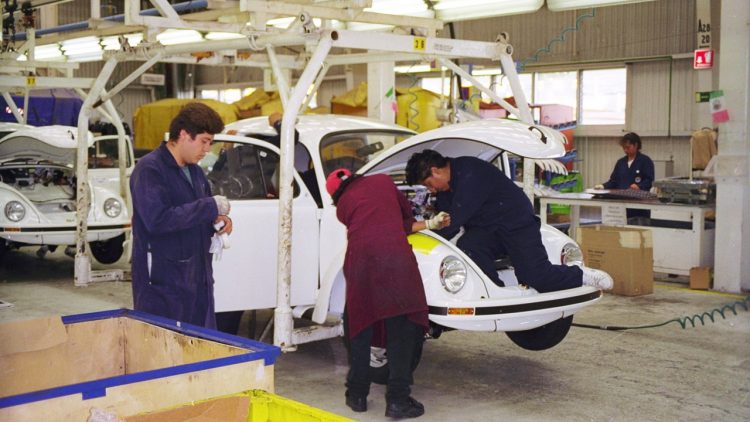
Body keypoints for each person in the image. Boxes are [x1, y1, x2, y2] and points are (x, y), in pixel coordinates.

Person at [327, 168, 449, 419]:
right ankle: (398, 400)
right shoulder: (382, 181)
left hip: (359, 262)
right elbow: (402, 221)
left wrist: (429, 224)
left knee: (359, 326)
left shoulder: (343, 208)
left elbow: (376, 225)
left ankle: (356, 395)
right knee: (402, 328)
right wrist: (431, 222)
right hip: (393, 260)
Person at [405, 149, 613, 293]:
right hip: (487, 229)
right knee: (469, 245)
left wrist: (417, 233)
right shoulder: (445, 189)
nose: (431, 190)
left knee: (535, 276)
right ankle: (493, 291)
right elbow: (443, 219)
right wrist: (426, 226)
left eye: (429, 184)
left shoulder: (470, 172)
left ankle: (581, 275)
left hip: (516, 223)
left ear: (435, 171)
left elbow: (451, 223)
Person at [130, 103, 231, 330]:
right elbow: (157, 219)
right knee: (163, 343)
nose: (207, 149)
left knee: (199, 341)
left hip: (197, 279)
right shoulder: (149, 170)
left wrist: (217, 222)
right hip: (162, 284)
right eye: (204, 141)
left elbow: (197, 213)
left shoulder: (195, 172)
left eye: (210, 143)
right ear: (184, 135)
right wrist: (209, 206)